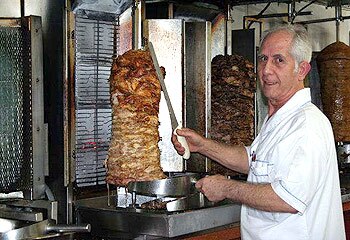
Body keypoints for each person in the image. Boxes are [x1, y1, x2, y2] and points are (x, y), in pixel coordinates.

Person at [172, 24, 346, 240]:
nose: (266, 70)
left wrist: (226, 188)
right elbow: (255, 161)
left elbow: (288, 199)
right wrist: (203, 146)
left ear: (301, 70)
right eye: (263, 58)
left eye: (279, 60)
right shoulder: (280, 117)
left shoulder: (307, 124)